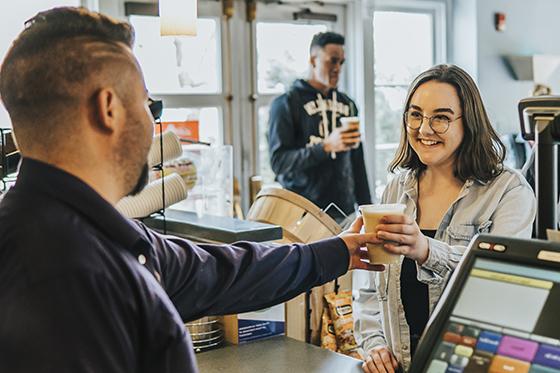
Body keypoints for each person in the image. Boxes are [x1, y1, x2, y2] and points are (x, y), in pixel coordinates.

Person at [0, 7, 385, 372]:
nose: (155, 125)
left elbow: (225, 272)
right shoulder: (61, 275)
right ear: (109, 109)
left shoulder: (98, 232)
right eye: (148, 104)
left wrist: (338, 252)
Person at [354, 64, 536, 373]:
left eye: (440, 117)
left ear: (470, 122)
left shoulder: (509, 191)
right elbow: (370, 288)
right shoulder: (396, 189)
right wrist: (374, 346)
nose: (424, 129)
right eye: (415, 115)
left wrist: (426, 250)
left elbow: (502, 288)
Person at [268, 31, 371, 221]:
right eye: (332, 61)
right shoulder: (286, 104)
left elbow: (357, 161)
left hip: (344, 213)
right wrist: (325, 147)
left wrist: (368, 210)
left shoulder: (348, 104)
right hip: (302, 214)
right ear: (313, 60)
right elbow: (279, 163)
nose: (338, 68)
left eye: (341, 62)